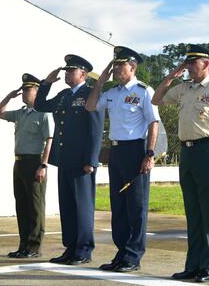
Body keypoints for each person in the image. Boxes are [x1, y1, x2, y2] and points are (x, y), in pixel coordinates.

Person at [152, 44, 209, 283]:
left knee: (208, 213)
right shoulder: (184, 88)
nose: (188, 67)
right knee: (193, 213)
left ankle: (207, 267)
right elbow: (156, 99)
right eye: (187, 63)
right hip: (187, 153)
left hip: (208, 150)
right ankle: (192, 265)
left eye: (192, 63)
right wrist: (172, 75)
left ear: (206, 64)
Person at [86, 46, 160, 273]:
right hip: (116, 151)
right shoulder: (111, 93)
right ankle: (121, 253)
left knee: (136, 207)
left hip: (136, 150)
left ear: (133, 66)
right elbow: (90, 106)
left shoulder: (143, 91)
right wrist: (100, 82)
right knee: (118, 206)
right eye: (115, 65)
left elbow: (153, 123)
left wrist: (149, 154)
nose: (117, 69)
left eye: (121, 65)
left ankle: (133, 256)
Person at [34, 54, 104, 265]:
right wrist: (46, 83)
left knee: (82, 206)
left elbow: (96, 129)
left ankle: (83, 250)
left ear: (83, 73)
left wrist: (91, 160)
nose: (66, 74)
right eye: (65, 71)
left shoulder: (91, 93)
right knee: (67, 205)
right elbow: (40, 105)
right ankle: (71, 248)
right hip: (64, 158)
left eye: (70, 71)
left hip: (82, 160)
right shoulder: (64, 94)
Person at [0, 73, 53, 259]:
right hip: (19, 162)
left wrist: (43, 165)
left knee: (35, 206)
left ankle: (34, 247)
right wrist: (9, 97)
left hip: (35, 162)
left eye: (28, 90)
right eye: (23, 90)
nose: (24, 93)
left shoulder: (44, 114)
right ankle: (23, 245)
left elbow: (49, 140)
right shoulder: (21, 113)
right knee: (21, 205)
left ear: (37, 91)